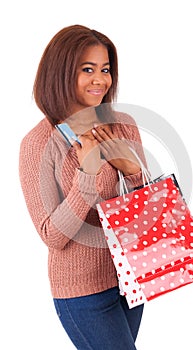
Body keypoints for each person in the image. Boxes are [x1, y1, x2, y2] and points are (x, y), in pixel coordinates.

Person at [19, 24, 148, 350]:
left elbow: (145, 206)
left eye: (105, 69)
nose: (100, 80)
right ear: (60, 73)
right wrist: (88, 173)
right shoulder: (38, 143)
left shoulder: (123, 125)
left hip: (133, 277)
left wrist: (131, 169)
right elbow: (52, 235)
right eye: (87, 69)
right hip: (82, 292)